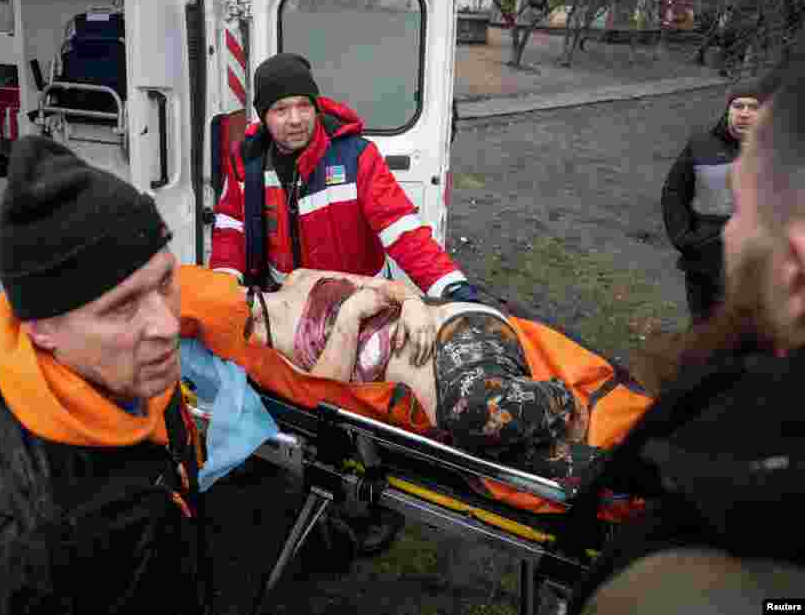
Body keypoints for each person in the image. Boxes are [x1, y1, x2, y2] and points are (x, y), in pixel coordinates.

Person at [0, 136, 210, 614]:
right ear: (42, 330)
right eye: (122, 307)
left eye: (164, 282)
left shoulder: (135, 372)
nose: (167, 326)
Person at [568, 51, 805, 613]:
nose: (732, 235)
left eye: (745, 213)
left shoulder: (689, 580)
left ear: (795, 262)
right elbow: (675, 194)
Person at [233, 268, 596, 486]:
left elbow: (385, 287)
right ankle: (596, 465)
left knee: (473, 408)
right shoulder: (263, 352)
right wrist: (349, 317)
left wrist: (411, 304)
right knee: (495, 449)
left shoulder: (299, 279)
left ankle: (561, 402)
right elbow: (324, 394)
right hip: (449, 402)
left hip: (452, 333)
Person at [210, 53, 479, 340]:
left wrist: (453, 290)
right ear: (264, 115)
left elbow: (403, 231)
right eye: (280, 109)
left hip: (364, 309)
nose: (295, 119)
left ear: (316, 105)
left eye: (304, 105)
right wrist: (225, 288)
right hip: (288, 308)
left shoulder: (357, 157)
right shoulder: (247, 163)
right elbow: (230, 228)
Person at [662, 79, 761, 323]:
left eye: (753, 107)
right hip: (703, 261)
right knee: (703, 331)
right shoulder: (702, 145)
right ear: (728, 110)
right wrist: (683, 238)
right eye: (738, 106)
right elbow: (674, 192)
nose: (745, 114)